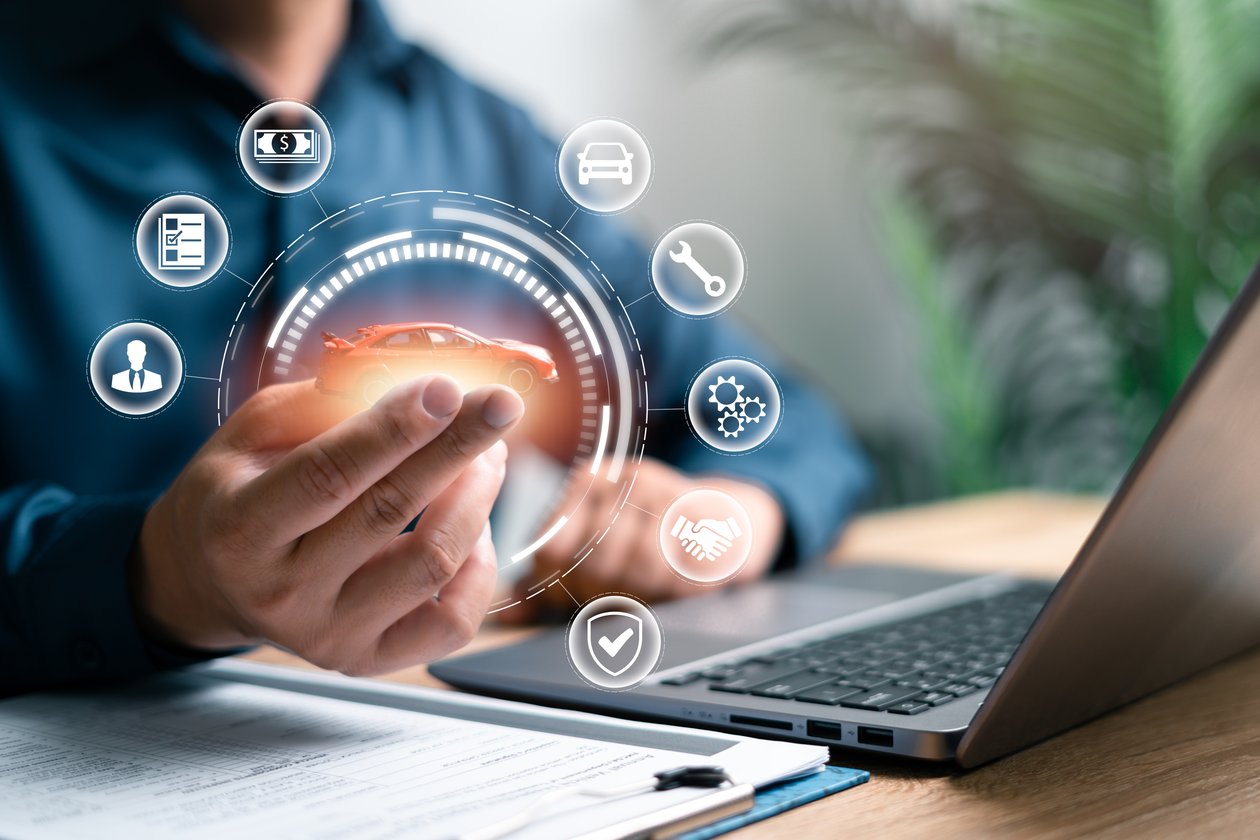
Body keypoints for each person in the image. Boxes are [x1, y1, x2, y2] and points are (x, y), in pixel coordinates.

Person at [0, 0, 870, 695]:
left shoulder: (489, 142)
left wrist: (725, 515)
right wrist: (163, 578)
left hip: (457, 761)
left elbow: (775, 416)